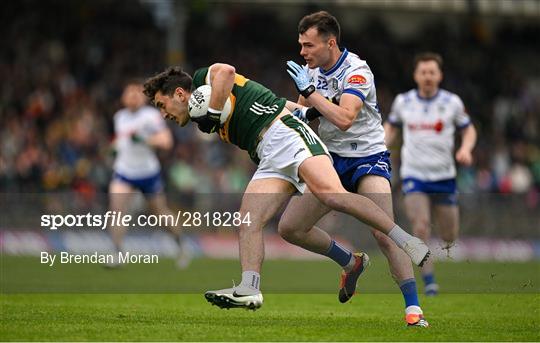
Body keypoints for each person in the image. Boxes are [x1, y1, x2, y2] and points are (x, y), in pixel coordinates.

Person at [142, 63, 430, 312]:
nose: (163, 114)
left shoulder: (205, 79)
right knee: (251, 220)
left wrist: (215, 111)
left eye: (160, 105)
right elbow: (269, 101)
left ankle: (406, 241)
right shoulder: (200, 114)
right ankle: (250, 288)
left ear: (179, 93)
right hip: (267, 154)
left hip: (288, 137)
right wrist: (302, 111)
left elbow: (227, 71)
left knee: (333, 195)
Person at [279, 11, 428, 327]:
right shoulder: (311, 72)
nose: (303, 52)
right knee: (290, 228)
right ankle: (350, 263)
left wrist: (310, 95)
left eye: (308, 45)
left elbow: (345, 119)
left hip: (367, 158)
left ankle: (413, 310)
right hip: (329, 159)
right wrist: (274, 106)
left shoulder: (357, 71)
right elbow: (307, 113)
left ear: (330, 42)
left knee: (384, 232)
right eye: (301, 45)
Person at [384, 52, 477, 296]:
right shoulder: (404, 102)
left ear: (440, 76)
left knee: (449, 235)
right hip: (414, 175)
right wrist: (382, 148)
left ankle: (438, 255)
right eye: (423, 72)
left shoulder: (452, 102)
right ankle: (429, 280)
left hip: (444, 177)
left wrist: (466, 149)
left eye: (432, 72)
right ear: (416, 75)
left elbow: (468, 131)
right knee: (421, 227)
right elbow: (391, 127)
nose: (427, 76)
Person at [108, 80, 192, 269]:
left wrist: (144, 138)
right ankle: (117, 253)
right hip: (124, 171)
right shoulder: (119, 117)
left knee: (161, 215)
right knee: (117, 211)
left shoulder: (151, 116)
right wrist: (114, 148)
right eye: (129, 93)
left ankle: (181, 244)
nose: (133, 97)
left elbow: (166, 141)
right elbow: (121, 141)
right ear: (123, 97)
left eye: (137, 93)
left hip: (147, 172)